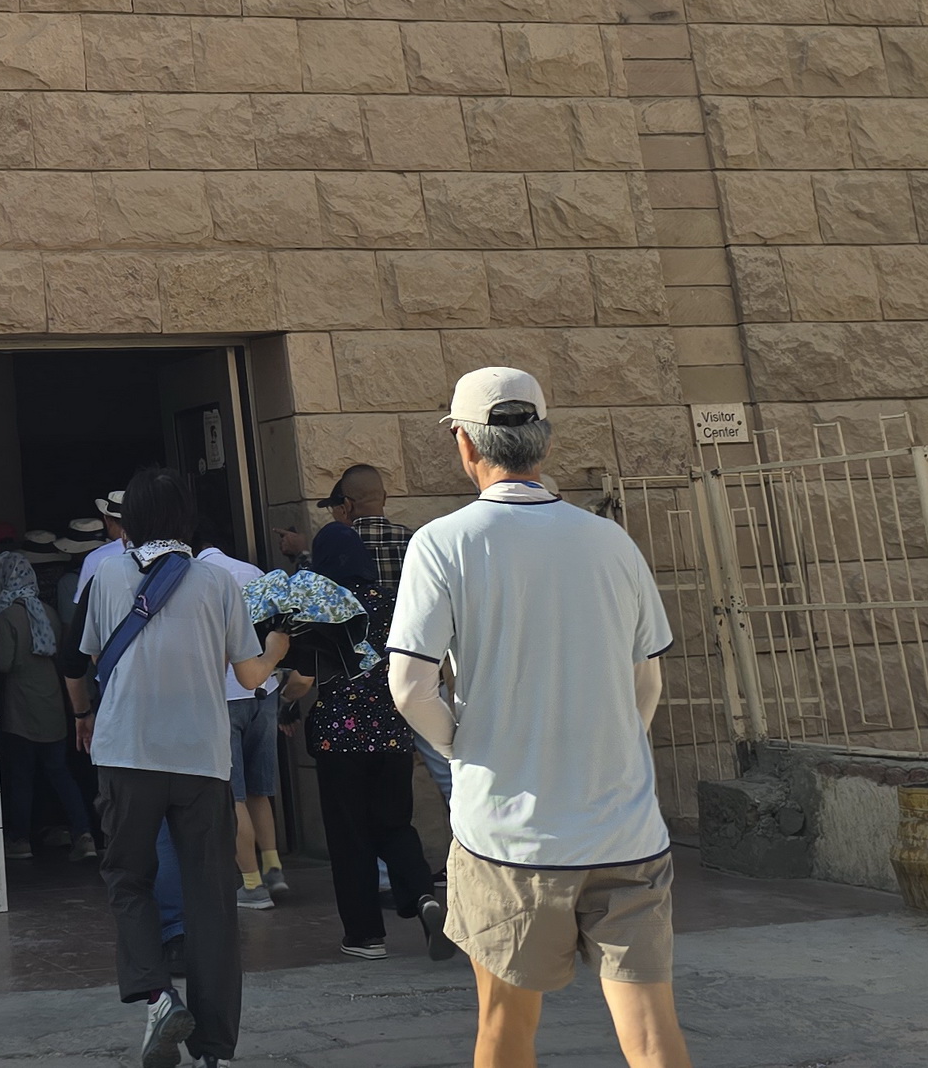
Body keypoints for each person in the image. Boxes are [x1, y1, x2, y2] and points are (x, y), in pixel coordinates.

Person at [389, 368, 692, 1068]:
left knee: (505, 1030)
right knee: (653, 1037)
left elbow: (410, 686)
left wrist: (466, 748)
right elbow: (646, 679)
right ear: (544, 441)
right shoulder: (612, 542)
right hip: (625, 830)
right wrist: (614, 747)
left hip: (508, 837)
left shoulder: (444, 542)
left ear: (465, 445)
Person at [69, 469, 289, 1068]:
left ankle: (159, 996)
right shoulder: (218, 582)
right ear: (186, 519)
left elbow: (85, 656)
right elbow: (250, 675)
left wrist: (85, 712)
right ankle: (215, 1047)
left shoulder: (105, 575)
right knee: (212, 897)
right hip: (201, 759)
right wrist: (279, 647)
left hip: (127, 753)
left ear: (129, 522)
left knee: (128, 877)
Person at [292, 514, 443, 962]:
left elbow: (302, 680)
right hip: (393, 736)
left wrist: (284, 702)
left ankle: (365, 936)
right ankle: (423, 895)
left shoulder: (323, 606)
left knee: (350, 837)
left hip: (339, 742)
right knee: (395, 826)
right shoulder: (396, 603)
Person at [193, 543, 287, 909]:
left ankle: (252, 885)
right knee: (260, 790)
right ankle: (274, 868)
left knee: (233, 796)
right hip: (265, 688)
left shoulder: (197, 578)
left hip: (224, 694)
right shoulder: (253, 572)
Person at [0, 552, 96, 861]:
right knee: (59, 772)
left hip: (21, 707)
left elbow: (3, 663)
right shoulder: (47, 611)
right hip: (51, 704)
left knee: (22, 775)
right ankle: (84, 834)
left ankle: (20, 840)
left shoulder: (5, 616)